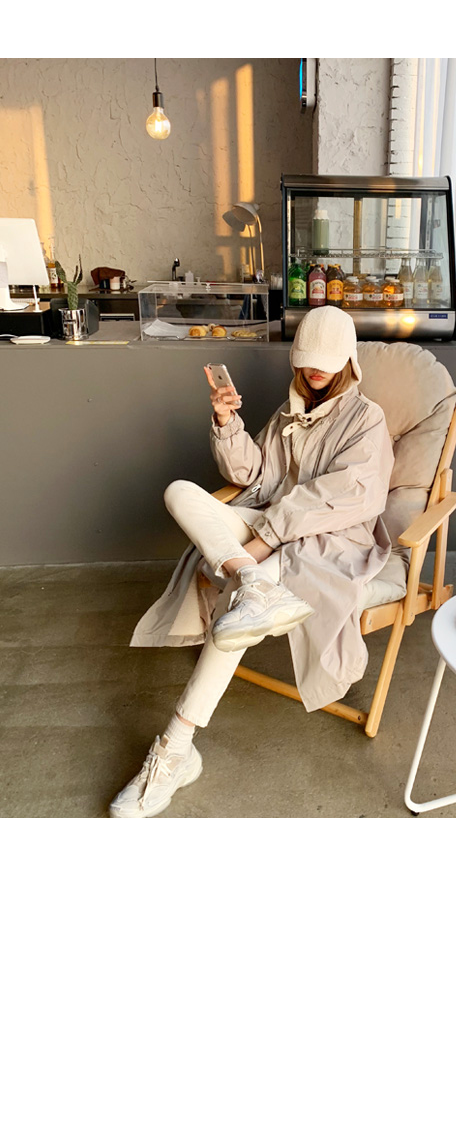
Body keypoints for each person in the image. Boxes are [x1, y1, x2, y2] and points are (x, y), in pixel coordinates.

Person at [109, 307, 393, 820]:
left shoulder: (367, 419)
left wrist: (262, 541)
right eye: (307, 359)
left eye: (326, 361)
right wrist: (226, 422)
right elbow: (255, 475)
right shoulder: (288, 412)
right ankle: (254, 584)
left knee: (235, 608)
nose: (315, 370)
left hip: (325, 543)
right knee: (180, 491)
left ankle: (175, 749)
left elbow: (342, 498)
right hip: (267, 528)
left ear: (348, 360)